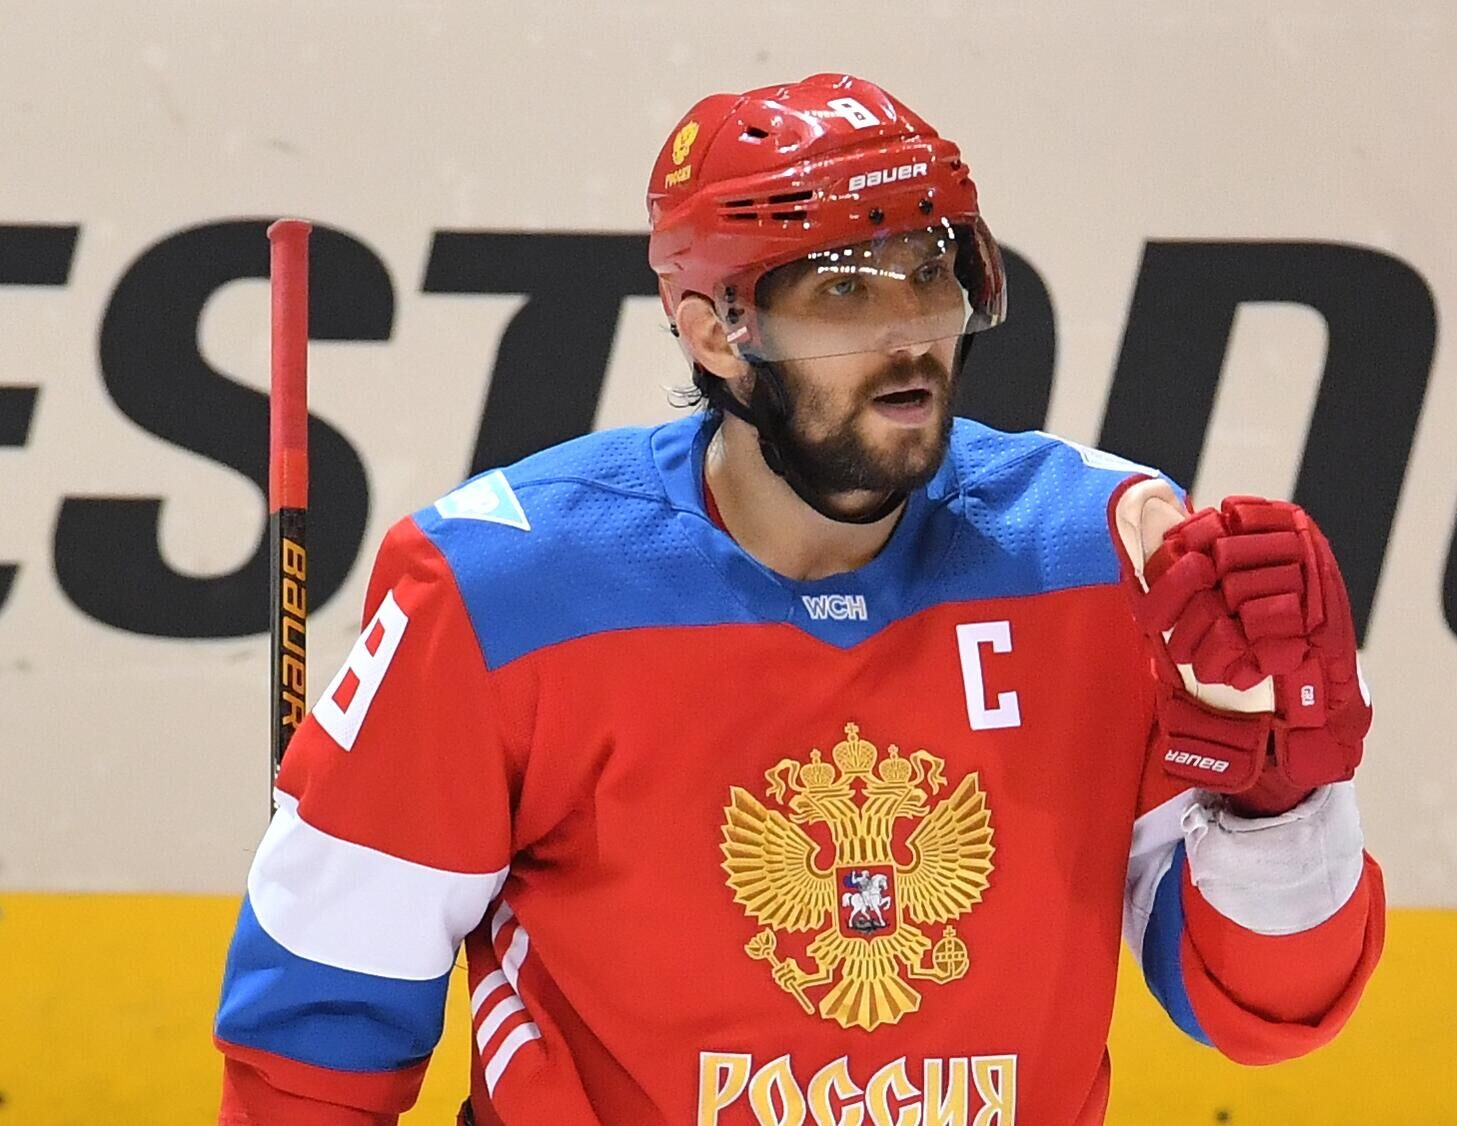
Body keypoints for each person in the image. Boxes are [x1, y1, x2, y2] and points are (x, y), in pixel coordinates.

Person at [214, 73, 1384, 1126]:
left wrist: (1277, 797)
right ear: (715, 335)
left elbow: (1259, 1012)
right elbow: (318, 1030)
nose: (908, 333)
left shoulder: (1099, 556)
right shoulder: (502, 586)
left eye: (928, 273)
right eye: (844, 292)